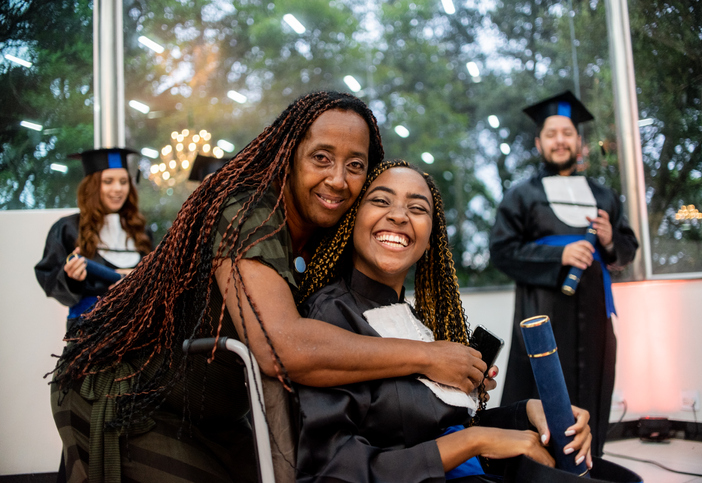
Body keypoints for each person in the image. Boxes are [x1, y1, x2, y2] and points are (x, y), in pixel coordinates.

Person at [49, 91, 487, 483]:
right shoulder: (249, 215)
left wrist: (450, 380)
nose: (338, 179)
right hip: (131, 392)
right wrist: (429, 358)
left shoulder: (324, 232)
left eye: (356, 166)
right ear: (288, 155)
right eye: (321, 158)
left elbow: (343, 356)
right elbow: (285, 348)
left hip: (212, 410)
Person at [295, 160, 593, 482]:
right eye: (381, 201)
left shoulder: (414, 320)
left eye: (418, 208)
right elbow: (332, 469)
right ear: (352, 219)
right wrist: (474, 440)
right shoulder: (329, 316)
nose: (399, 215)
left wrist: (527, 414)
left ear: (430, 237)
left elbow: (431, 429)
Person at [489, 91, 639, 457]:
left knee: (594, 388)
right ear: (540, 142)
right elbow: (502, 252)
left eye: (567, 133)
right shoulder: (521, 196)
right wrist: (559, 255)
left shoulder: (604, 196)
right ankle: (536, 472)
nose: (560, 140)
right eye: (552, 134)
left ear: (579, 142)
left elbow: (628, 248)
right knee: (542, 398)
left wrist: (608, 239)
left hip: (595, 319)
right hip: (543, 315)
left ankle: (591, 465)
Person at [34, 147, 153, 330]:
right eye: (108, 181)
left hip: (137, 327)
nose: (117, 189)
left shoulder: (140, 229)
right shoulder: (68, 229)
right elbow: (48, 279)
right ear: (93, 185)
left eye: (123, 181)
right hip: (89, 329)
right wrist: (71, 277)